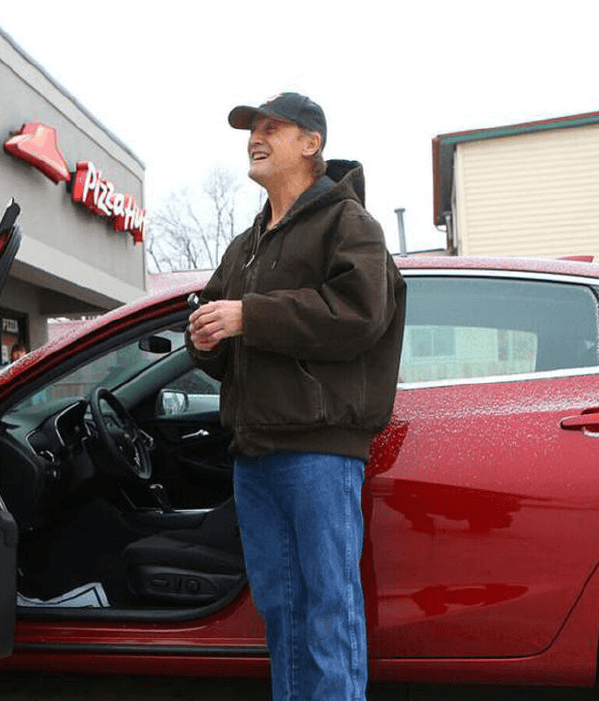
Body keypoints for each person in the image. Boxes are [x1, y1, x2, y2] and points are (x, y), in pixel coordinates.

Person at [186, 92, 406, 700]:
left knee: (329, 611)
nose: (254, 138)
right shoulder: (246, 245)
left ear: (311, 143)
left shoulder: (349, 224)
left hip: (318, 454)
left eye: (270, 128)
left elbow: (360, 314)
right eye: (251, 130)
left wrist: (247, 316)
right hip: (254, 455)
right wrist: (205, 337)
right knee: (281, 611)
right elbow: (222, 341)